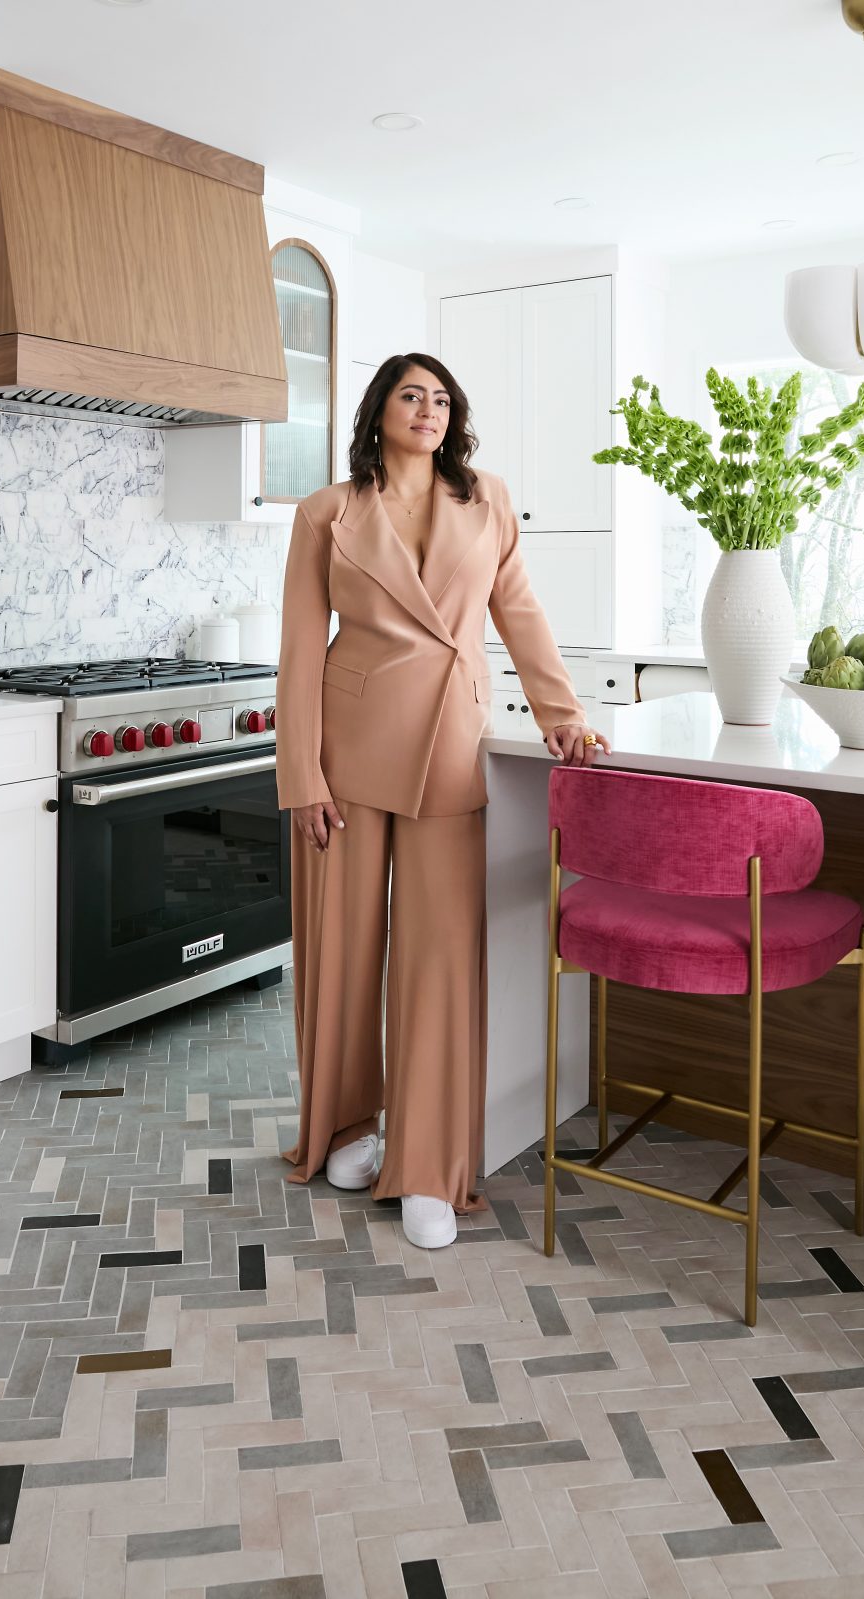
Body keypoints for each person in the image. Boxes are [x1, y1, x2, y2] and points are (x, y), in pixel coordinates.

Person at [274, 353, 609, 1248]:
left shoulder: (486, 499)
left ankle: (424, 1162)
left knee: (438, 957)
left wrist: (563, 715)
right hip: (346, 752)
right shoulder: (326, 513)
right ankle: (346, 1128)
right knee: (343, 953)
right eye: (410, 395)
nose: (428, 408)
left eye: (441, 397)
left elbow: (520, 612)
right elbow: (302, 653)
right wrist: (299, 775)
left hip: (448, 748)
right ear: (378, 410)